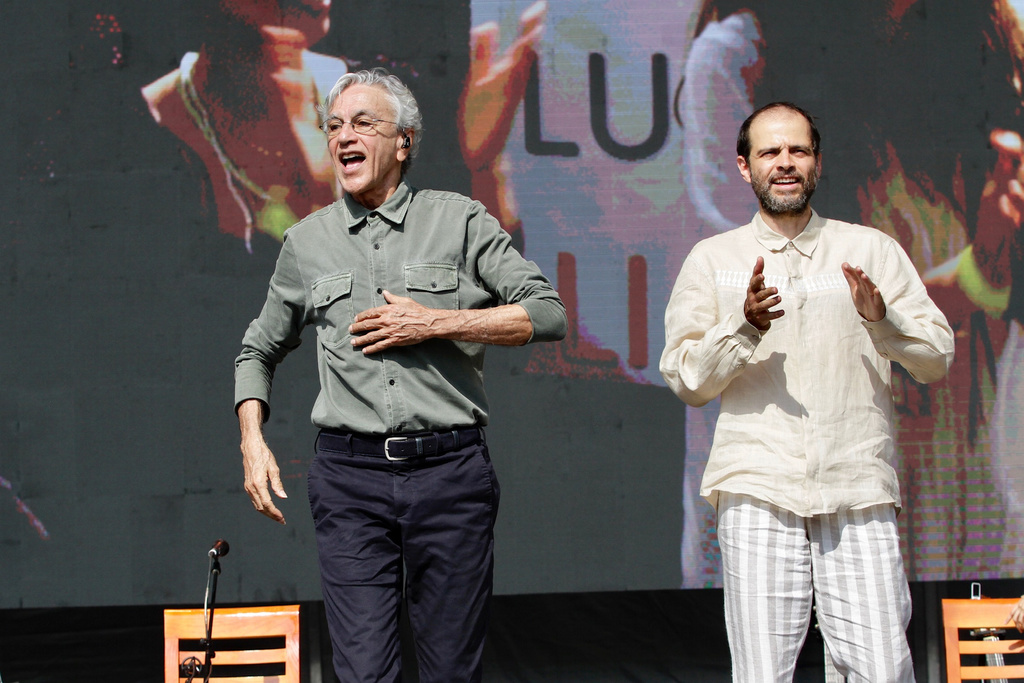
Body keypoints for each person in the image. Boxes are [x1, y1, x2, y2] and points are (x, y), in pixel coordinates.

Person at [233, 67, 566, 681]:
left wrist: (436, 323)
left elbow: (546, 314)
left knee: (449, 671)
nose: (343, 137)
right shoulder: (307, 243)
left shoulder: (459, 220)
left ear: (404, 141)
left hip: (450, 474)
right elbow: (256, 350)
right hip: (349, 481)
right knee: (363, 673)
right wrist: (253, 440)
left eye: (362, 122)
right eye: (333, 127)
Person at [659, 102, 954, 681]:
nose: (785, 163)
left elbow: (937, 360)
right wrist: (742, 326)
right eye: (770, 152)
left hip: (857, 486)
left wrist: (882, 321)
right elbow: (687, 379)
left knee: (882, 667)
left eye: (798, 150)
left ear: (818, 162)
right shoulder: (713, 259)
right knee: (763, 671)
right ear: (744, 167)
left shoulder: (870, 250)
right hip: (759, 485)